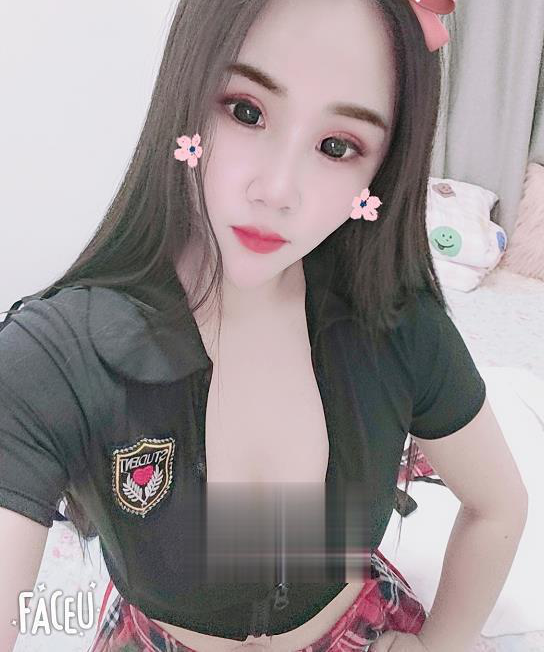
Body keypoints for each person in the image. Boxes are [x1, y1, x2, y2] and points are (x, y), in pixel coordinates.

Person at [0, 1, 529, 651]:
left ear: (379, 173)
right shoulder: (54, 355)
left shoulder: (396, 323)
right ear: (186, 98)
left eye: (337, 146)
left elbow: (499, 505)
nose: (277, 190)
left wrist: (439, 645)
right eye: (246, 111)